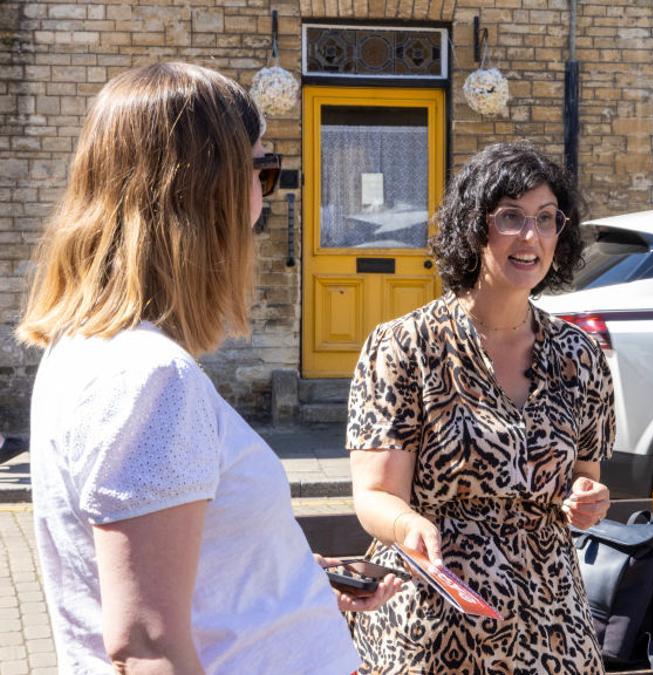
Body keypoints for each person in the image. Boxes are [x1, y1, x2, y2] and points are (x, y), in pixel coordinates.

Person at [17, 62, 399, 674]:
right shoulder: (150, 377)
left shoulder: (84, 349)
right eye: (263, 170)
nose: (263, 198)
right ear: (210, 188)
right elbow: (147, 645)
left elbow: (176, 572)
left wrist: (289, 577)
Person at [345, 141, 615, 673]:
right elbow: (375, 494)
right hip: (435, 617)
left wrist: (589, 498)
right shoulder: (406, 346)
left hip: (551, 623)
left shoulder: (579, 355)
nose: (530, 236)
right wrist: (405, 527)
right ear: (474, 227)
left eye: (545, 219)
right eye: (511, 217)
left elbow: (585, 478)